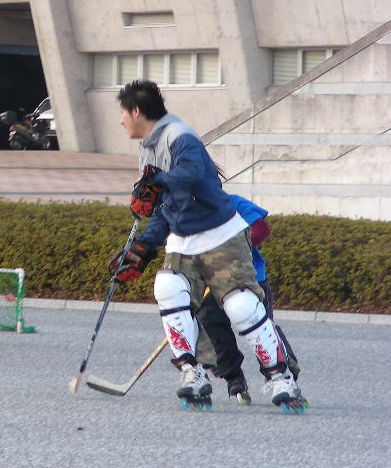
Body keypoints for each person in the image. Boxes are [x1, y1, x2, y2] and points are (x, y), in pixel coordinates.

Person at [109, 80, 302, 410]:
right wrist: (143, 247)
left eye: (123, 113)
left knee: (241, 307)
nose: (122, 120)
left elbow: (193, 173)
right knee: (167, 287)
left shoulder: (180, 136)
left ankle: (280, 378)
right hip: (183, 241)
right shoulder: (149, 150)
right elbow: (164, 207)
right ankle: (191, 372)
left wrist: (159, 180)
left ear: (137, 111)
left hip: (221, 236)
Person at [196, 194, 302, 403]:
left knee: (263, 328)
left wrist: (233, 252)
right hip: (214, 282)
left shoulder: (233, 203)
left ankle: (283, 374)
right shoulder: (191, 211)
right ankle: (233, 377)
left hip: (251, 278)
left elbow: (261, 228)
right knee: (209, 321)